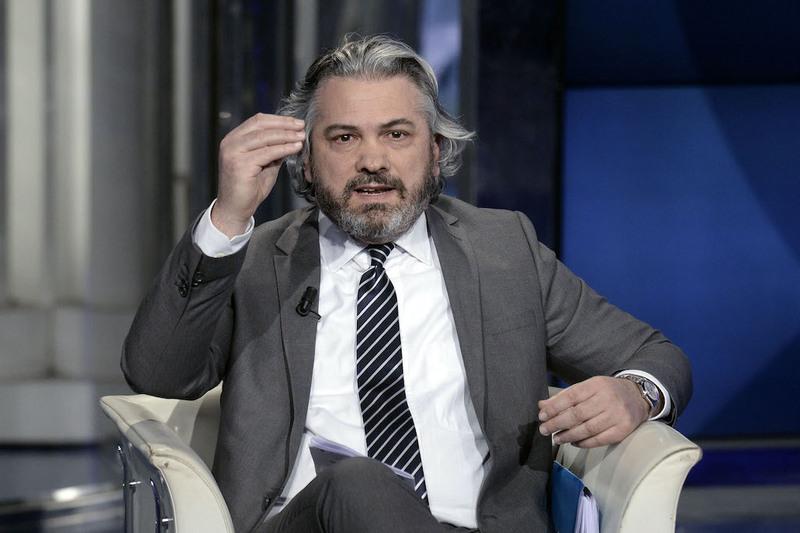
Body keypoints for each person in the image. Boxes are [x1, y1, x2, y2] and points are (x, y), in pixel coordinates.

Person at [122, 35, 691, 533]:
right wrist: (227, 218)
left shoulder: (504, 250)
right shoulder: (254, 258)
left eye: (396, 134)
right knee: (358, 484)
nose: (373, 160)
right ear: (306, 160)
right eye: (344, 138)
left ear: (435, 151)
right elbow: (158, 372)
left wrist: (635, 393)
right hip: (308, 521)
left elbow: (655, 355)